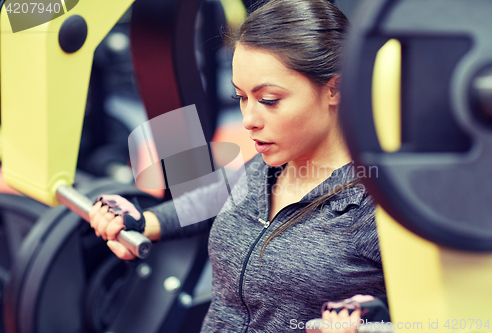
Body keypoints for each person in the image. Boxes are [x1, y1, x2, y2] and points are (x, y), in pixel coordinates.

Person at [90, 0, 385, 332]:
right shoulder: (268, 166)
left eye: (268, 100)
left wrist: (374, 327)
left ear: (335, 88)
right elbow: (215, 198)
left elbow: (436, 318)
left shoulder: (374, 206)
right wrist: (145, 221)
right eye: (241, 98)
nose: (248, 120)